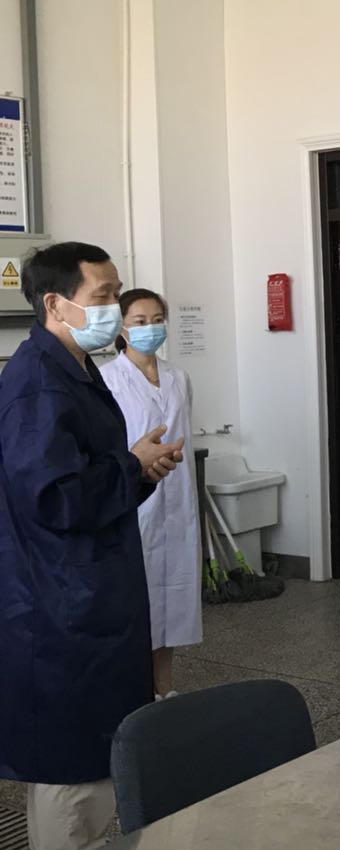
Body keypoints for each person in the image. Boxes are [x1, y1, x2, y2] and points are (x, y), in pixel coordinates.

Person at [0, 243, 184, 850]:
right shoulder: (36, 382)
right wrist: (129, 466)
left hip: (93, 595)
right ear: (56, 304)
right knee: (71, 781)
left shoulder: (75, 369)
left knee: (95, 770)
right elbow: (54, 497)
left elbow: (87, 479)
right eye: (102, 296)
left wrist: (140, 470)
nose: (115, 307)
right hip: (61, 610)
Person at [102, 289, 201, 697]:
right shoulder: (107, 379)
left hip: (177, 500)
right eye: (140, 321)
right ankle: (135, 692)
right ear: (121, 328)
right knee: (136, 598)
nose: (151, 328)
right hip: (135, 500)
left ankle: (164, 689)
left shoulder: (179, 377)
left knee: (173, 599)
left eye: (157, 320)